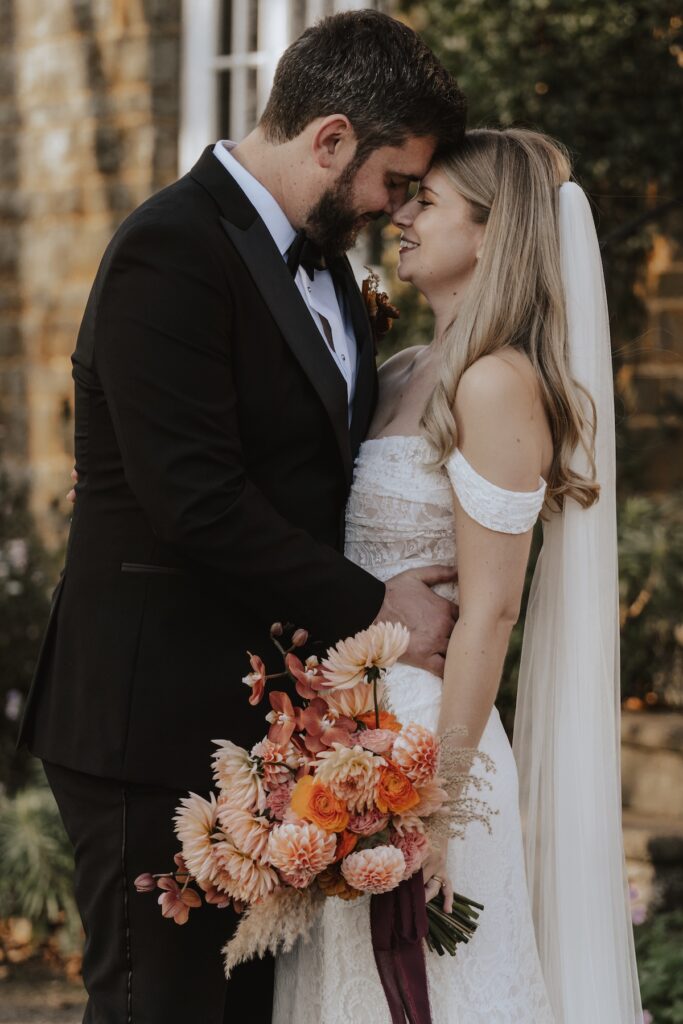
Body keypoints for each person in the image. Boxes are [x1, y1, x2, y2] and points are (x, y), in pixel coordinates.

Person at [17, 12, 467, 1024]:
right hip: (152, 719)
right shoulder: (168, 249)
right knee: (155, 1008)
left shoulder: (330, 273)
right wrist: (377, 604)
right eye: (392, 182)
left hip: (270, 726)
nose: (392, 209)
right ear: (330, 137)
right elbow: (195, 500)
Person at [273, 128, 643, 1023]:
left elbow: (490, 610)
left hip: (427, 746)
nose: (398, 214)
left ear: (488, 233)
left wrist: (440, 801)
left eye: (425, 202)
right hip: (341, 732)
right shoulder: (401, 370)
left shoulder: (496, 383)